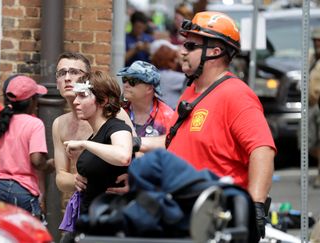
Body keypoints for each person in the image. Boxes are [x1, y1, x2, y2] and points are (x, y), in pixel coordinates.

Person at [139, 11, 276, 241]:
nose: (182, 51)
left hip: (216, 217)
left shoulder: (236, 95)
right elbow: (175, 141)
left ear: (215, 52)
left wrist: (255, 207)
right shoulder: (191, 92)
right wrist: (135, 142)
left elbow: (262, 150)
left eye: (190, 45)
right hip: (182, 216)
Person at [52, 52, 135, 198]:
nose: (67, 78)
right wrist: (75, 180)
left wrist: (135, 180)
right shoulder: (60, 124)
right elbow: (60, 177)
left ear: (87, 78)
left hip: (112, 200)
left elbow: (134, 152)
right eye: (61, 73)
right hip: (86, 199)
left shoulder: (113, 113)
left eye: (74, 72)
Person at [62, 71, 132, 239]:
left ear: (103, 100)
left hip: (109, 227)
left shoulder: (117, 127)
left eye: (82, 96)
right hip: (89, 222)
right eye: (75, 96)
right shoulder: (96, 134)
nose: (76, 101)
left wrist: (84, 144)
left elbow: (124, 156)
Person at [0, 74, 53, 219]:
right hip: (22, 192)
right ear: (32, 101)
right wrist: (51, 165)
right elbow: (37, 161)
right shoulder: (34, 124)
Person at [117, 60, 174, 137]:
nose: (126, 85)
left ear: (149, 88)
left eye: (132, 81)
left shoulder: (168, 117)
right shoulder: (117, 109)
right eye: (124, 79)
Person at [150, 39, 186, 109]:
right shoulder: (171, 77)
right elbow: (194, 80)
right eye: (173, 59)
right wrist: (183, 62)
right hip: (169, 114)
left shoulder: (152, 73)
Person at [306, 27, 320, 188]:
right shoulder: (312, 58)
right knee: (310, 142)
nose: (317, 43)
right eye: (315, 40)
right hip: (312, 105)